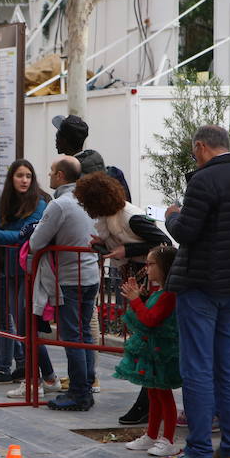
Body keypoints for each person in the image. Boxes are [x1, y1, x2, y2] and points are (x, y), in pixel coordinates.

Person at [158, 125, 230, 458]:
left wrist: (171, 215)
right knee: (229, 365)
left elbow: (187, 231)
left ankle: (199, 450)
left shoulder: (203, 180)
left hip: (201, 283)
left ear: (201, 146)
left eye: (194, 151)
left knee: (198, 367)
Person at [73, 171, 172, 424]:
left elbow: (164, 244)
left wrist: (126, 250)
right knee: (146, 344)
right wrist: (105, 247)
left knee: (149, 344)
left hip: (150, 287)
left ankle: (147, 405)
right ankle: (147, 404)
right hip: (139, 284)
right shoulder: (113, 217)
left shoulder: (131, 217)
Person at [28, 156, 100, 411]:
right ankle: (86, 386)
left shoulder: (59, 204)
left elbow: (37, 243)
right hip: (91, 273)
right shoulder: (87, 200)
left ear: (60, 176)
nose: (47, 175)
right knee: (84, 333)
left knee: (72, 336)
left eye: (50, 171)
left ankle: (79, 393)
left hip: (71, 277)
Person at [0, 159, 51, 389]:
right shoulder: (7, 202)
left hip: (28, 271)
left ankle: (41, 377)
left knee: (25, 327)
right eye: (20, 175)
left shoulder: (38, 204)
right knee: (21, 327)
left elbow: (23, 235)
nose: (24, 180)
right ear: (11, 178)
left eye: (28, 176)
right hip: (9, 269)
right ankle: (43, 377)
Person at [115, 246, 182, 457]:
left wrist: (135, 299)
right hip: (153, 350)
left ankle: (168, 439)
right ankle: (151, 435)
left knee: (164, 395)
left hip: (162, 352)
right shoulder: (159, 292)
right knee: (153, 393)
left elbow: (150, 320)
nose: (147, 268)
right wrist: (139, 298)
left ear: (165, 267)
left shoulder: (169, 294)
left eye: (151, 264)